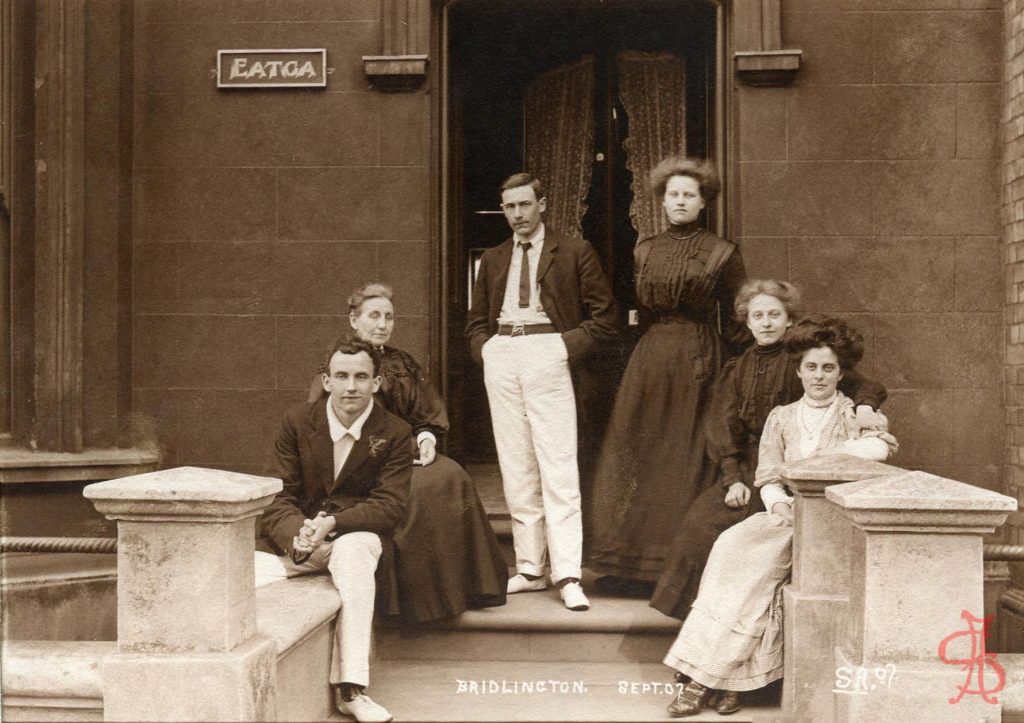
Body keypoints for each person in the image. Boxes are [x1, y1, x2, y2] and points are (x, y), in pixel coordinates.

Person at [663, 315, 897, 718]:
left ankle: (702, 682)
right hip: (785, 515)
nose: (819, 376)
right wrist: (779, 505)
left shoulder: (852, 415)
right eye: (811, 367)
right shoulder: (781, 417)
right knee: (729, 548)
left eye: (828, 368)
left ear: (842, 374)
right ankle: (730, 681)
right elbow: (769, 476)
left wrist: (830, 457)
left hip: (829, 524)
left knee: (756, 570)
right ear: (799, 370)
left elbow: (882, 448)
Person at [650, 281, 888, 619]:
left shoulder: (806, 360)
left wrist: (865, 407)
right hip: (749, 468)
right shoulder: (737, 368)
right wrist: (733, 478)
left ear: (789, 320)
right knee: (699, 528)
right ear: (747, 322)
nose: (766, 323)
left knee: (753, 548)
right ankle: (703, 623)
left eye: (774, 315)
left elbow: (865, 385)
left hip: (792, 466)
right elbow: (723, 426)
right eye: (757, 315)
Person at [589, 157, 749, 590]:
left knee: (682, 454)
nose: (680, 201)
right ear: (662, 201)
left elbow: (738, 321)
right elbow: (630, 313)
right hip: (650, 358)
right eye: (672, 194)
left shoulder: (722, 252)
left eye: (688, 195)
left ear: (703, 202)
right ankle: (627, 566)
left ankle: (672, 567)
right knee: (637, 451)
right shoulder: (644, 250)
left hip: (698, 360)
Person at [309, 282, 507, 624]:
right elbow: (333, 429)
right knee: (418, 490)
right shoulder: (340, 365)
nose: (382, 324)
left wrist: (427, 438)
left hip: (408, 452)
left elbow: (423, 413)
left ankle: (463, 588)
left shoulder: (402, 362)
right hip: (364, 462)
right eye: (374, 316)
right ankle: (413, 603)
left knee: (450, 475)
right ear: (354, 320)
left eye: (389, 317)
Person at [466, 172, 619, 611]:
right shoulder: (493, 259)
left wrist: (561, 348)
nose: (517, 214)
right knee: (516, 465)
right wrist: (486, 350)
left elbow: (604, 319)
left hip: (549, 351)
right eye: (509, 207)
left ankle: (567, 572)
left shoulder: (573, 251)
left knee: (558, 465)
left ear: (542, 204)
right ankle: (531, 568)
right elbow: (475, 320)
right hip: (504, 353)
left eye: (524, 205)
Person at [256, 338, 410, 723]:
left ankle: (351, 689)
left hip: (354, 540)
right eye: (341, 376)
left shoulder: (395, 432)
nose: (351, 387)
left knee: (355, 551)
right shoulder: (297, 422)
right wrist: (299, 537)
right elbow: (278, 495)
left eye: (361, 377)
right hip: (301, 545)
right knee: (231, 573)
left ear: (377, 383)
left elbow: (390, 507)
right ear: (326, 381)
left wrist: (334, 523)